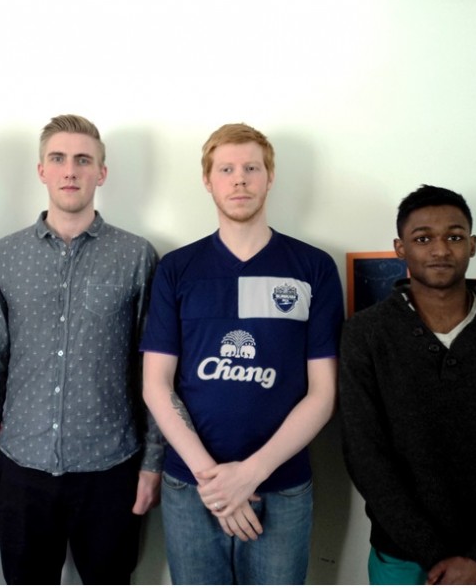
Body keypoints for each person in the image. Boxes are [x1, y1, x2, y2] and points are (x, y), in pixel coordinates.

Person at [141, 123, 344, 584]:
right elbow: (156, 384)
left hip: (281, 486)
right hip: (191, 486)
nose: (240, 180)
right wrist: (214, 481)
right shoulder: (177, 269)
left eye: (252, 168)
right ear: (207, 180)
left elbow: (323, 394)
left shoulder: (312, 267)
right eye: (226, 169)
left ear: (270, 177)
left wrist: (250, 474)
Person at [0, 114, 162, 584]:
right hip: (21, 468)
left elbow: (152, 370)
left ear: (101, 173)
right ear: (41, 171)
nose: (70, 171)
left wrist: (153, 462)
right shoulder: (4, 256)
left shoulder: (137, 256)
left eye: (83, 160)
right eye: (58, 159)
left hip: (111, 469)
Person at [339, 184, 476, 585]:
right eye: (423, 239)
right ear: (400, 249)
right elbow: (365, 455)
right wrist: (434, 555)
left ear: (472, 245)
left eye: (454, 237)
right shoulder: (365, 334)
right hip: (401, 558)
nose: (440, 250)